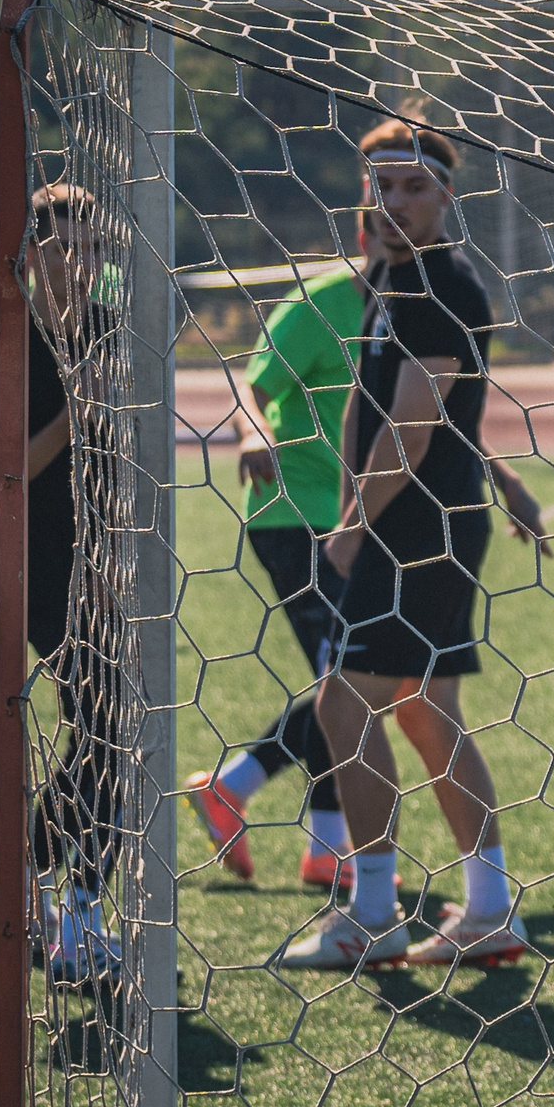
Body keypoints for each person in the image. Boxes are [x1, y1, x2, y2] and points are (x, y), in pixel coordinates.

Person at [272, 121, 551, 971]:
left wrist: (354, 524)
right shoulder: (392, 281)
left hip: (416, 530)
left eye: (412, 188)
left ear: (446, 197)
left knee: (342, 704)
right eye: (380, 186)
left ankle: (372, 912)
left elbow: (417, 424)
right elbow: (378, 407)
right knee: (426, 711)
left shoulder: (439, 286)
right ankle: (490, 910)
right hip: (420, 520)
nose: (392, 203)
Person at [0, 182, 120, 987]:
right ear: (29, 253)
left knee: (116, 732)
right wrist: (73, 416)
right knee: (107, 726)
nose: (83, 264)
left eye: (94, 248)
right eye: (68, 247)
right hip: (35, 564)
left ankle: (59, 890)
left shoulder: (114, 333)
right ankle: (68, 908)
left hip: (110, 564)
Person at [187, 253, 367, 895]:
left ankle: (250, 799)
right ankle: (311, 834)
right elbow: (251, 383)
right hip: (294, 513)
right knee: (346, 677)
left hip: (360, 516)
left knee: (351, 677)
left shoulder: (415, 306)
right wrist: (253, 433)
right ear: (364, 226)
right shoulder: (320, 303)